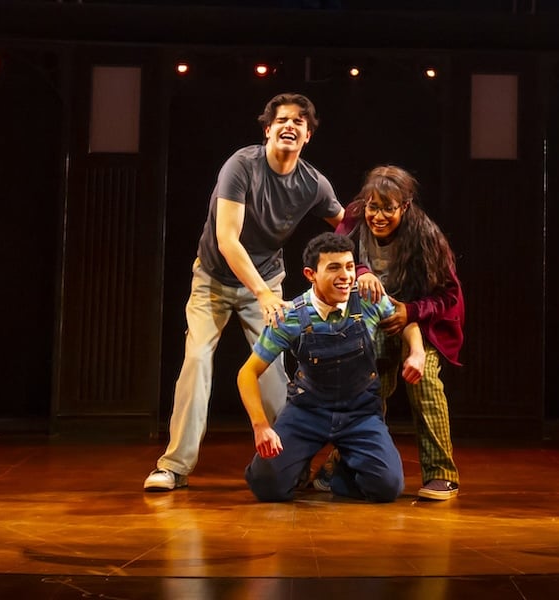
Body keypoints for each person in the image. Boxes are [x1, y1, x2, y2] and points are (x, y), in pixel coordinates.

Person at [144, 93, 344, 492]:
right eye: (282, 120)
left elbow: (345, 224)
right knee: (197, 361)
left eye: (299, 122)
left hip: (266, 280)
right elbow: (227, 239)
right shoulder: (242, 165)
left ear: (307, 135)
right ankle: (174, 466)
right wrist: (264, 294)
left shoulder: (313, 183)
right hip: (214, 280)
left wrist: (361, 270)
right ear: (267, 129)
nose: (290, 126)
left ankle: (292, 464)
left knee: (273, 374)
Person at [239, 232, 426, 502]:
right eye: (334, 268)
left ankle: (339, 471)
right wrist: (261, 426)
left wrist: (417, 353)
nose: (345, 276)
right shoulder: (291, 316)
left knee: (386, 488)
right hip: (308, 411)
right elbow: (247, 373)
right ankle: (297, 464)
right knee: (267, 487)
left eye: (349, 267)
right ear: (311, 274)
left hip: (359, 412)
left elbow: (407, 322)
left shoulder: (368, 299)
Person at [336, 165, 464, 501]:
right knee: (367, 388)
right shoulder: (354, 221)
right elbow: (333, 254)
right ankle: (346, 468)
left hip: (417, 323)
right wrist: (361, 270)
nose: (378, 216)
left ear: (404, 207)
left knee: (424, 382)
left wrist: (412, 310)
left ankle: (441, 473)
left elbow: (449, 296)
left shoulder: (425, 236)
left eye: (387, 209)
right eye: (373, 207)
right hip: (371, 323)